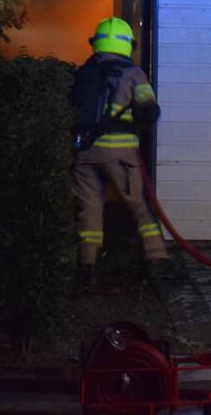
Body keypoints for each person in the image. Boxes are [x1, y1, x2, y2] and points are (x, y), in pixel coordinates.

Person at [70, 17, 176, 285]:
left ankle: (87, 267)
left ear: (97, 43)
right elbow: (151, 110)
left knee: (89, 208)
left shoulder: (85, 73)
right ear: (128, 44)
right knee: (140, 206)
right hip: (120, 153)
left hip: (85, 152)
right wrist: (136, 126)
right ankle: (157, 261)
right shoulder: (133, 73)